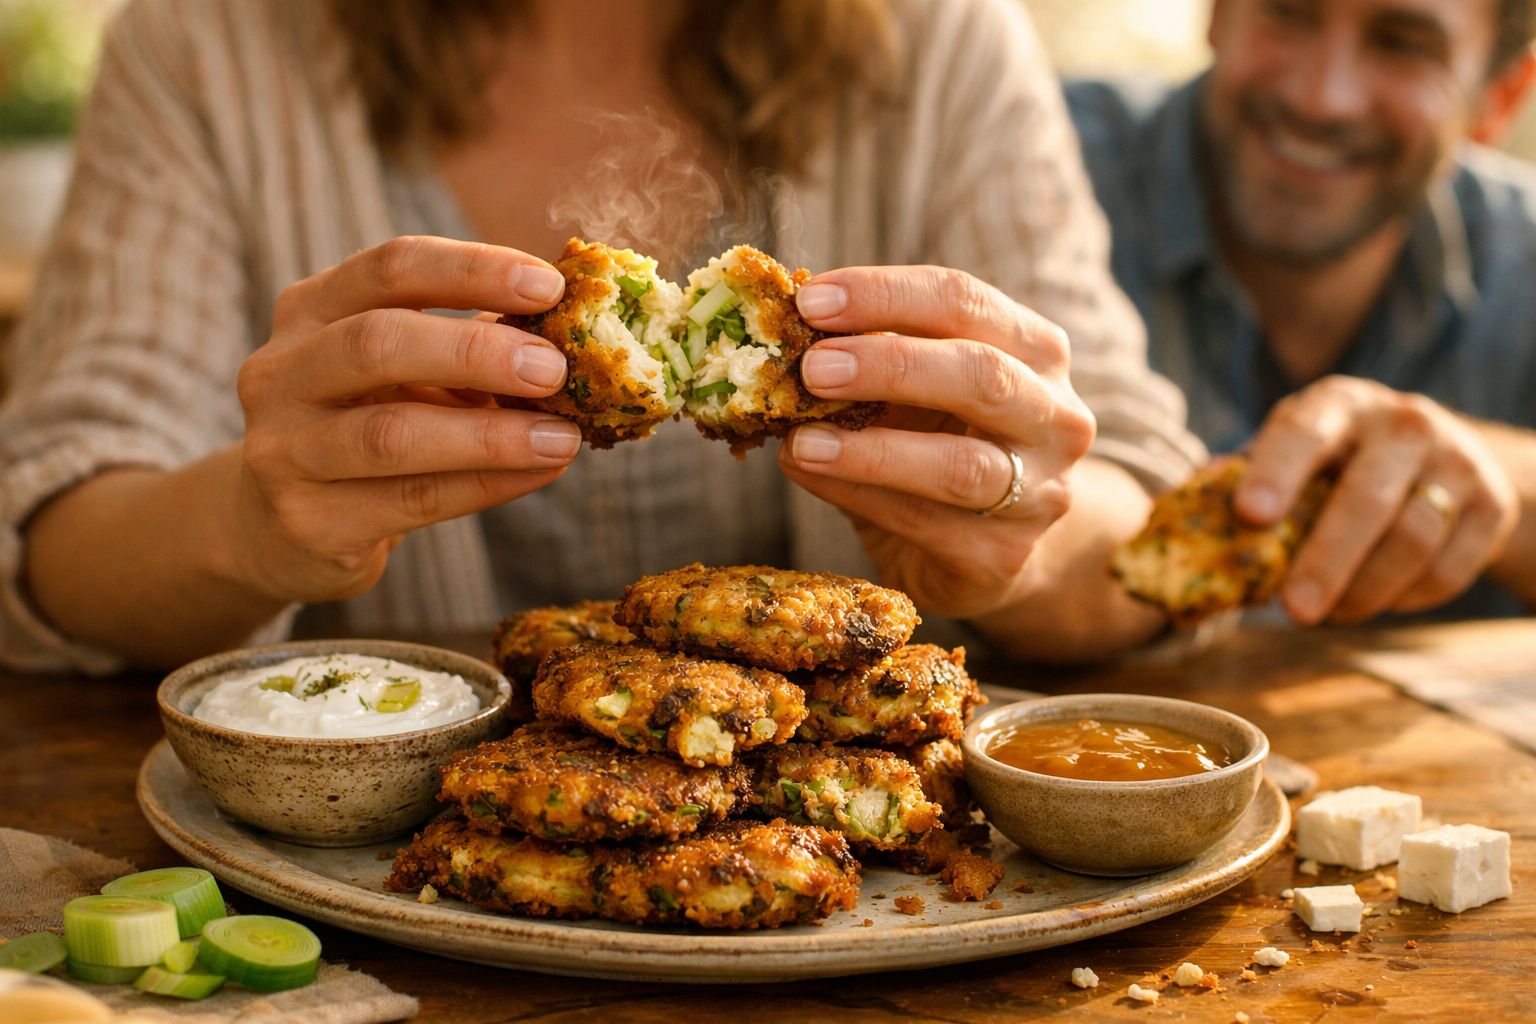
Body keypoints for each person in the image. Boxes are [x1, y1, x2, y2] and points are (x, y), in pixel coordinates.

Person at [0, 0, 1204, 674]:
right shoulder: (205, 48)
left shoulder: (938, 41)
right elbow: (53, 531)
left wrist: (1020, 541)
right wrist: (247, 528)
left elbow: (1139, 516)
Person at [1067, 0, 1536, 625]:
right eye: (1287, 10)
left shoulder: (1523, 258)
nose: (1323, 98)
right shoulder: (1019, 167)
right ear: (1216, 13)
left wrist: (1500, 481)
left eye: (1403, 43)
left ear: (1500, 97)